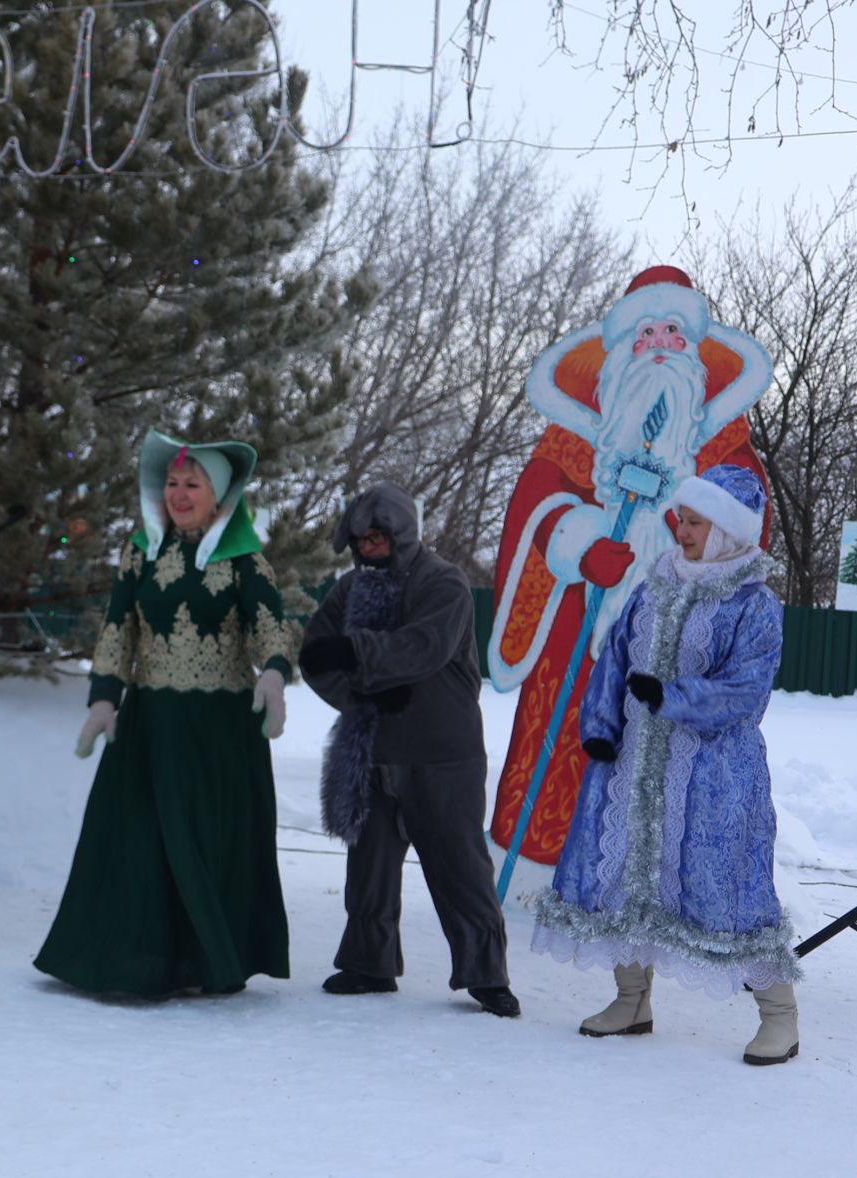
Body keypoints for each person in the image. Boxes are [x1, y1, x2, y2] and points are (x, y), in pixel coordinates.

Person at [488, 267, 774, 866]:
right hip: (581, 626)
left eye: (675, 331)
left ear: (696, 351)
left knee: (663, 769)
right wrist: (580, 540)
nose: (662, 345)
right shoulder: (574, 436)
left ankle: (651, 875)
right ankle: (547, 859)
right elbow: (539, 498)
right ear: (620, 351)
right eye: (647, 333)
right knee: (568, 731)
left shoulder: (722, 441)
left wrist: (685, 532)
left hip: (680, 639)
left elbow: (746, 519)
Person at [532, 464, 802, 1065]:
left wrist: (673, 698)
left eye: (695, 521)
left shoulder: (754, 604)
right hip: (633, 762)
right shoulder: (653, 586)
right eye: (681, 518)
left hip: (712, 775)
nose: (681, 530)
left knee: (726, 889)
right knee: (626, 874)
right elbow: (614, 660)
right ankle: (631, 1001)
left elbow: (747, 689)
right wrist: (601, 727)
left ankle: (780, 1018)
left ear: (728, 531)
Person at [33, 431, 292, 996]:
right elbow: (117, 627)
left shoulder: (243, 557)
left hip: (220, 731)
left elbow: (271, 623)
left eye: (192, 483)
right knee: (139, 841)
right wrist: (104, 698)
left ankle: (207, 961)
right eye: (172, 482)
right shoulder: (140, 550)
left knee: (205, 843)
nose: (178, 492)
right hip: (149, 724)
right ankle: (133, 962)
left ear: (218, 494)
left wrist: (273, 674)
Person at [299, 482, 520, 1017]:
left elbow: (424, 648)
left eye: (378, 536)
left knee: (460, 868)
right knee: (369, 868)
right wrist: (359, 693)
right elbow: (315, 659)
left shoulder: (443, 581)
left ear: (403, 534)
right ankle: (368, 964)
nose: (369, 546)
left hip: (443, 753)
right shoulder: (348, 590)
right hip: (371, 752)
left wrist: (357, 652)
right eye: (360, 538)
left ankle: (486, 975)